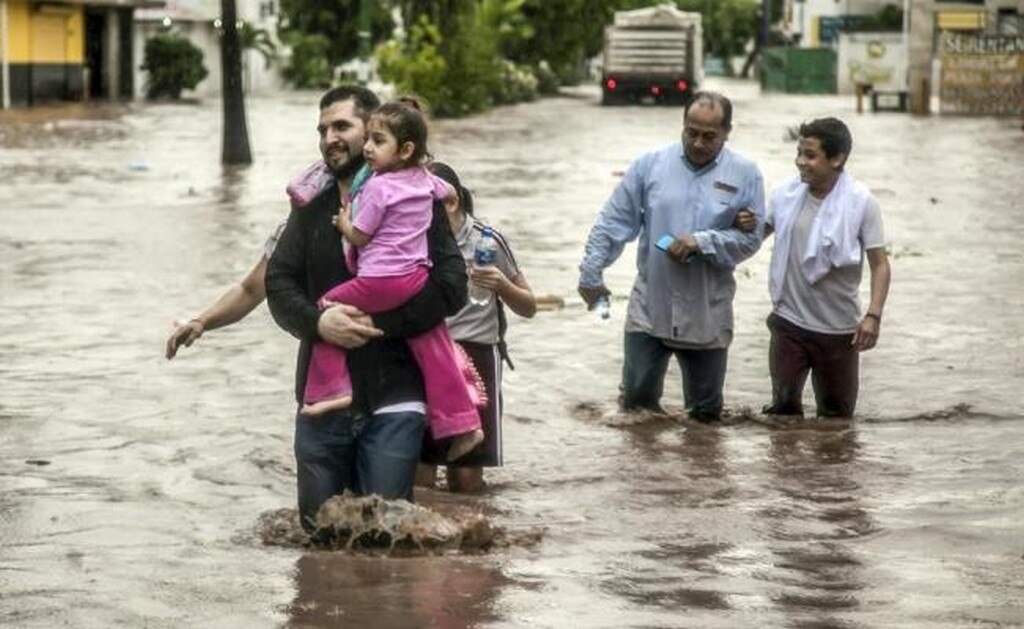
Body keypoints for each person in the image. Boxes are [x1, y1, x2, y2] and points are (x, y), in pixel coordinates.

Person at [265, 85, 468, 530]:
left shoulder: (417, 201)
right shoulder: (310, 207)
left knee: (385, 539)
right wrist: (320, 323)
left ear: (376, 130)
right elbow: (277, 285)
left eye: (342, 126)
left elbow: (452, 288)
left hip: (396, 395)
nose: (329, 139)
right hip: (321, 405)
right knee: (318, 535)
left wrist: (374, 322)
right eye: (322, 130)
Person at [300, 101, 485, 463]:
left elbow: (361, 237)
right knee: (433, 343)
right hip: (416, 279)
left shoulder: (379, 189)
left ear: (405, 150)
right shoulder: (426, 182)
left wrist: (343, 223)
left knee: (327, 310)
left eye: (377, 140)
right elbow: (449, 193)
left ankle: (331, 389)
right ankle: (464, 422)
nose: (368, 147)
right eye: (367, 138)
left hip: (381, 280)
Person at [577, 91, 764, 422]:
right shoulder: (651, 165)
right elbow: (613, 222)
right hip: (650, 308)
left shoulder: (746, 174)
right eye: (691, 132)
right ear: (682, 125)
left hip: (708, 312)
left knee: (705, 420)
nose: (698, 143)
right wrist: (592, 273)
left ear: (727, 132)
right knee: (635, 412)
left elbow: (749, 241)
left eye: (709, 136)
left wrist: (702, 242)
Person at [738, 117, 890, 418]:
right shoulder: (785, 194)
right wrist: (741, 224)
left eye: (810, 155)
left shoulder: (861, 203)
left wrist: (873, 316)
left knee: (837, 421)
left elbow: (880, 265)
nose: (800, 162)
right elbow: (753, 237)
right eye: (798, 153)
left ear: (837, 158)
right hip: (788, 323)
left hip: (839, 331)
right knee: (782, 414)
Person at [417, 162, 537, 493]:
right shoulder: (412, 242)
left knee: (467, 476)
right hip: (425, 353)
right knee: (420, 473)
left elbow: (529, 307)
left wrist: (503, 286)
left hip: (478, 355)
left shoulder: (488, 241)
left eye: (420, 203)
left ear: (451, 202)